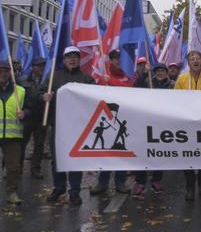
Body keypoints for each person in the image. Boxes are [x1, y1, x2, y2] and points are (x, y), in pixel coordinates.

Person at [42, 46, 95, 205]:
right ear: (64, 60)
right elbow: (39, 92)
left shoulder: (86, 79)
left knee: (75, 159)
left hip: (77, 126)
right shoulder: (54, 77)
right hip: (58, 125)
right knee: (57, 159)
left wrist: (102, 85)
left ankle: (74, 191)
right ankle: (59, 188)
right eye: (69, 57)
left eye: (76, 57)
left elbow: (96, 96)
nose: (73, 59)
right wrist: (43, 96)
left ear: (79, 60)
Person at [174, 50, 201, 201]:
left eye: (197, 58)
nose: (195, 61)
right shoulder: (182, 79)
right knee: (188, 156)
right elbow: (175, 101)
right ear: (188, 62)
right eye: (192, 58)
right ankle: (189, 187)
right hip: (186, 124)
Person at [91, 50, 133, 196]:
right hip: (106, 120)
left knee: (120, 151)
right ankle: (102, 182)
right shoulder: (104, 77)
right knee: (105, 152)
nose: (118, 62)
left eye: (120, 59)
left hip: (123, 120)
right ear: (110, 60)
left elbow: (131, 92)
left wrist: (112, 82)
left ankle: (120, 182)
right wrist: (105, 82)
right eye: (115, 59)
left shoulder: (128, 77)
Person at [131, 63, 174, 198]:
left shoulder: (172, 85)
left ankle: (156, 180)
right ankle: (140, 182)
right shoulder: (147, 81)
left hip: (162, 124)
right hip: (145, 123)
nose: (160, 73)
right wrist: (144, 73)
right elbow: (133, 91)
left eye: (162, 71)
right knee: (143, 153)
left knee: (158, 153)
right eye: (158, 71)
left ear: (166, 73)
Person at [0, 61, 28, 204]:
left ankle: (11, 192)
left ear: (10, 73)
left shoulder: (20, 91)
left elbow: (30, 109)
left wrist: (25, 113)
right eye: (0, 71)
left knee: (13, 167)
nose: (2, 74)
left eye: (5, 71)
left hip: (13, 136)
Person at [19, 57, 46, 179]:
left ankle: (35, 169)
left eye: (43, 65)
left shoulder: (47, 81)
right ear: (33, 66)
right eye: (38, 65)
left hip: (41, 117)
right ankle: (17, 168)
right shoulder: (22, 80)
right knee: (21, 144)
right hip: (26, 117)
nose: (41, 67)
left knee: (39, 145)